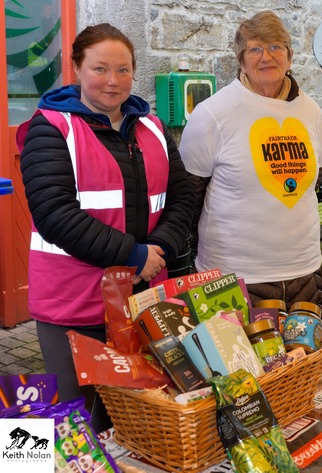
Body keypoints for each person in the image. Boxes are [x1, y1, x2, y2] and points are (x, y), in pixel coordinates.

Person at [18, 23, 194, 431]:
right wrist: (134, 255)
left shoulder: (152, 127)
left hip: (142, 301)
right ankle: (34, 455)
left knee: (133, 420)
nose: (113, 81)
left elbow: (183, 196)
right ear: (76, 68)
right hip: (74, 304)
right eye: (100, 69)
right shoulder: (52, 128)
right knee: (70, 425)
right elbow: (55, 214)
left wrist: (160, 249)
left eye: (123, 70)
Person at [179, 11, 322, 318]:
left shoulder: (310, 110)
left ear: (290, 56)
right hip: (234, 275)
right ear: (241, 60)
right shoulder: (212, 114)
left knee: (304, 350)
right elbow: (188, 199)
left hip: (304, 271)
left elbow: (314, 181)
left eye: (275, 47)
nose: (266, 57)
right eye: (255, 49)